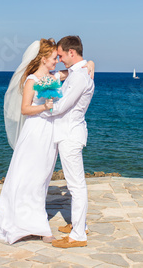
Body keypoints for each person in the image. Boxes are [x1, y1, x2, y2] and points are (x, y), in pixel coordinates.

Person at [0, 38, 94, 244]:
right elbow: (25, 109)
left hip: (50, 134)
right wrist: (45, 108)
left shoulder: (53, 77)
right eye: (54, 58)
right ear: (43, 58)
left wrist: (90, 64)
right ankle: (22, 222)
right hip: (35, 132)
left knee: (42, 179)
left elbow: (74, 72)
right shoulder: (31, 80)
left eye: (59, 57)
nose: (57, 61)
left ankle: (36, 222)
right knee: (27, 176)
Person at [41, 35, 94, 248]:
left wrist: (40, 109)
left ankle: (79, 235)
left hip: (70, 135)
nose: (60, 59)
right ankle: (78, 225)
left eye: (61, 55)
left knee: (76, 185)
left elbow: (61, 106)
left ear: (72, 52)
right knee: (75, 185)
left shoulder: (80, 77)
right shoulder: (79, 72)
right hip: (69, 133)